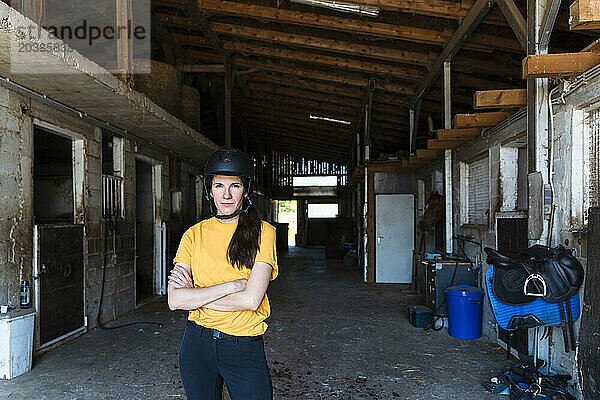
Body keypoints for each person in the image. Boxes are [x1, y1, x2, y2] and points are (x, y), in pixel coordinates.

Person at [168, 148, 278, 400]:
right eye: (219, 186)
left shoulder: (264, 232)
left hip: (243, 348)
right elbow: (175, 301)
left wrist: (195, 295)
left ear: (246, 189)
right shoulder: (193, 235)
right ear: (210, 189)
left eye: (235, 186)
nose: (226, 195)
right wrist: (231, 286)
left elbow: (251, 300)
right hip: (196, 345)